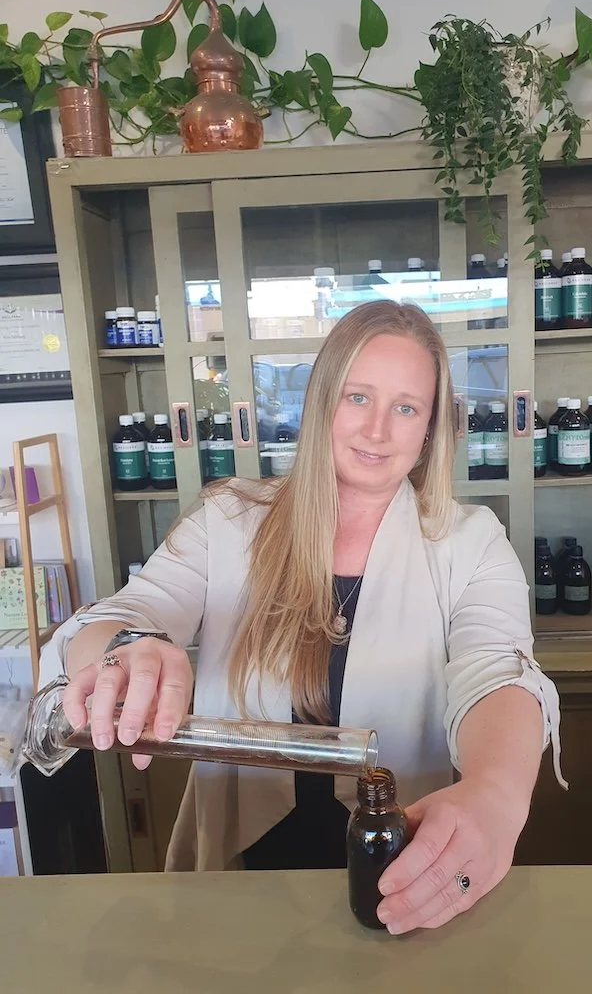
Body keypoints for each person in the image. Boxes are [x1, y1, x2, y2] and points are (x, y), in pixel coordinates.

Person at [46, 299, 564, 935]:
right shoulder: (228, 522)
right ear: (321, 402)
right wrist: (130, 644)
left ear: (431, 428)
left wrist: (497, 791)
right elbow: (129, 611)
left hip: (400, 858)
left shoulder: (471, 541)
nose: (377, 430)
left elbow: (499, 672)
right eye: (357, 398)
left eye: (406, 407)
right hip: (246, 868)